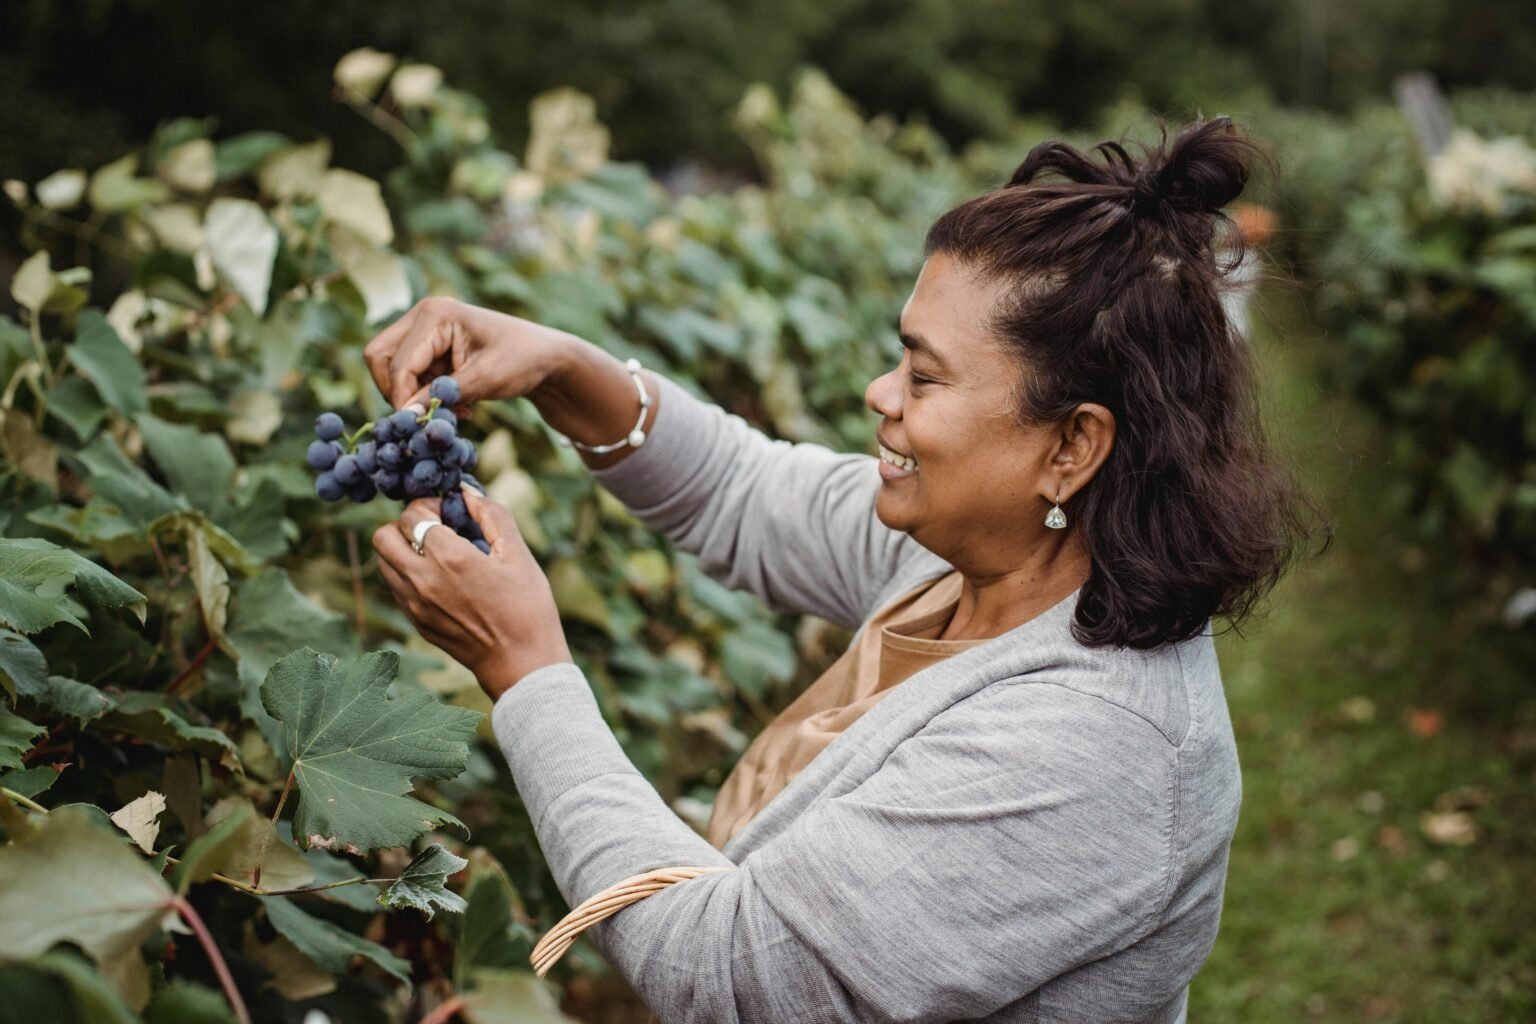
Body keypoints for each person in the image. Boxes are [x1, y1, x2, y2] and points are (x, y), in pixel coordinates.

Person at [364, 115, 1324, 1023]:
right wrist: (564, 367)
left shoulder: (1097, 749)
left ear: (1072, 447)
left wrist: (526, 673)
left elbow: (728, 977)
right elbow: (739, 490)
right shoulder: (980, 560)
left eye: (924, 375)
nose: (879, 393)